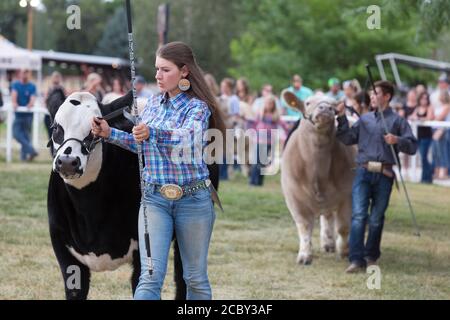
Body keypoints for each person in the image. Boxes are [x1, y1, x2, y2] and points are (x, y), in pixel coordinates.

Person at [91, 41, 226, 300]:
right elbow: (142, 144)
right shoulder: (152, 104)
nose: (157, 76)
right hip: (154, 200)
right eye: (156, 69)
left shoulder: (197, 107)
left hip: (194, 201)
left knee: (195, 279)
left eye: (165, 70)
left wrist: (153, 132)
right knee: (150, 277)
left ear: (184, 71)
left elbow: (190, 139)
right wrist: (110, 134)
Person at [335, 80, 418, 273]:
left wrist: (397, 140)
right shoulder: (364, 120)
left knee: (376, 219)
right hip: (363, 172)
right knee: (358, 216)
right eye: (371, 94)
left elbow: (412, 146)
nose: (371, 97)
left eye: (376, 93)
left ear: (387, 96)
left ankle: (371, 255)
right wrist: (341, 118)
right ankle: (355, 259)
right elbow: (347, 138)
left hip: (385, 174)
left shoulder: (398, 121)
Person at [250, 95, 280, 186]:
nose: (268, 105)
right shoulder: (260, 114)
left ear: (273, 105)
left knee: (262, 163)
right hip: (259, 140)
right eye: (267, 103)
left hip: (268, 142)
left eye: (270, 104)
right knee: (256, 161)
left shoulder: (275, 116)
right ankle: (252, 182)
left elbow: (283, 124)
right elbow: (253, 124)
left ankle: (259, 182)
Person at [11, 69, 38, 161]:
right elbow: (14, 96)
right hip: (18, 114)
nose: (24, 75)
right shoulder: (15, 84)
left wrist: (30, 103)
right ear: (20, 74)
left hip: (28, 115)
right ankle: (32, 150)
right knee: (16, 134)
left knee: (26, 136)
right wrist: (14, 103)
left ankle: (23, 158)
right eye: (23, 73)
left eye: (26, 73)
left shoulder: (32, 86)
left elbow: (32, 99)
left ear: (28, 74)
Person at [410, 92, 434, 183]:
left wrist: (419, 119)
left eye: (425, 98)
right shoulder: (417, 108)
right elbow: (412, 116)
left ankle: (426, 178)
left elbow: (429, 118)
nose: (424, 100)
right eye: (422, 98)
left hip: (426, 136)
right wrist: (414, 118)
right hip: (418, 135)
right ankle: (426, 178)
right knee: (421, 157)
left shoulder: (429, 108)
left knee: (424, 156)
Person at [45, 71, 66, 138]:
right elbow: (45, 100)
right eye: (55, 77)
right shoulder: (49, 88)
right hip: (49, 115)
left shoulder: (62, 89)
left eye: (58, 77)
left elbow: (65, 100)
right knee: (50, 136)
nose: (56, 79)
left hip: (59, 116)